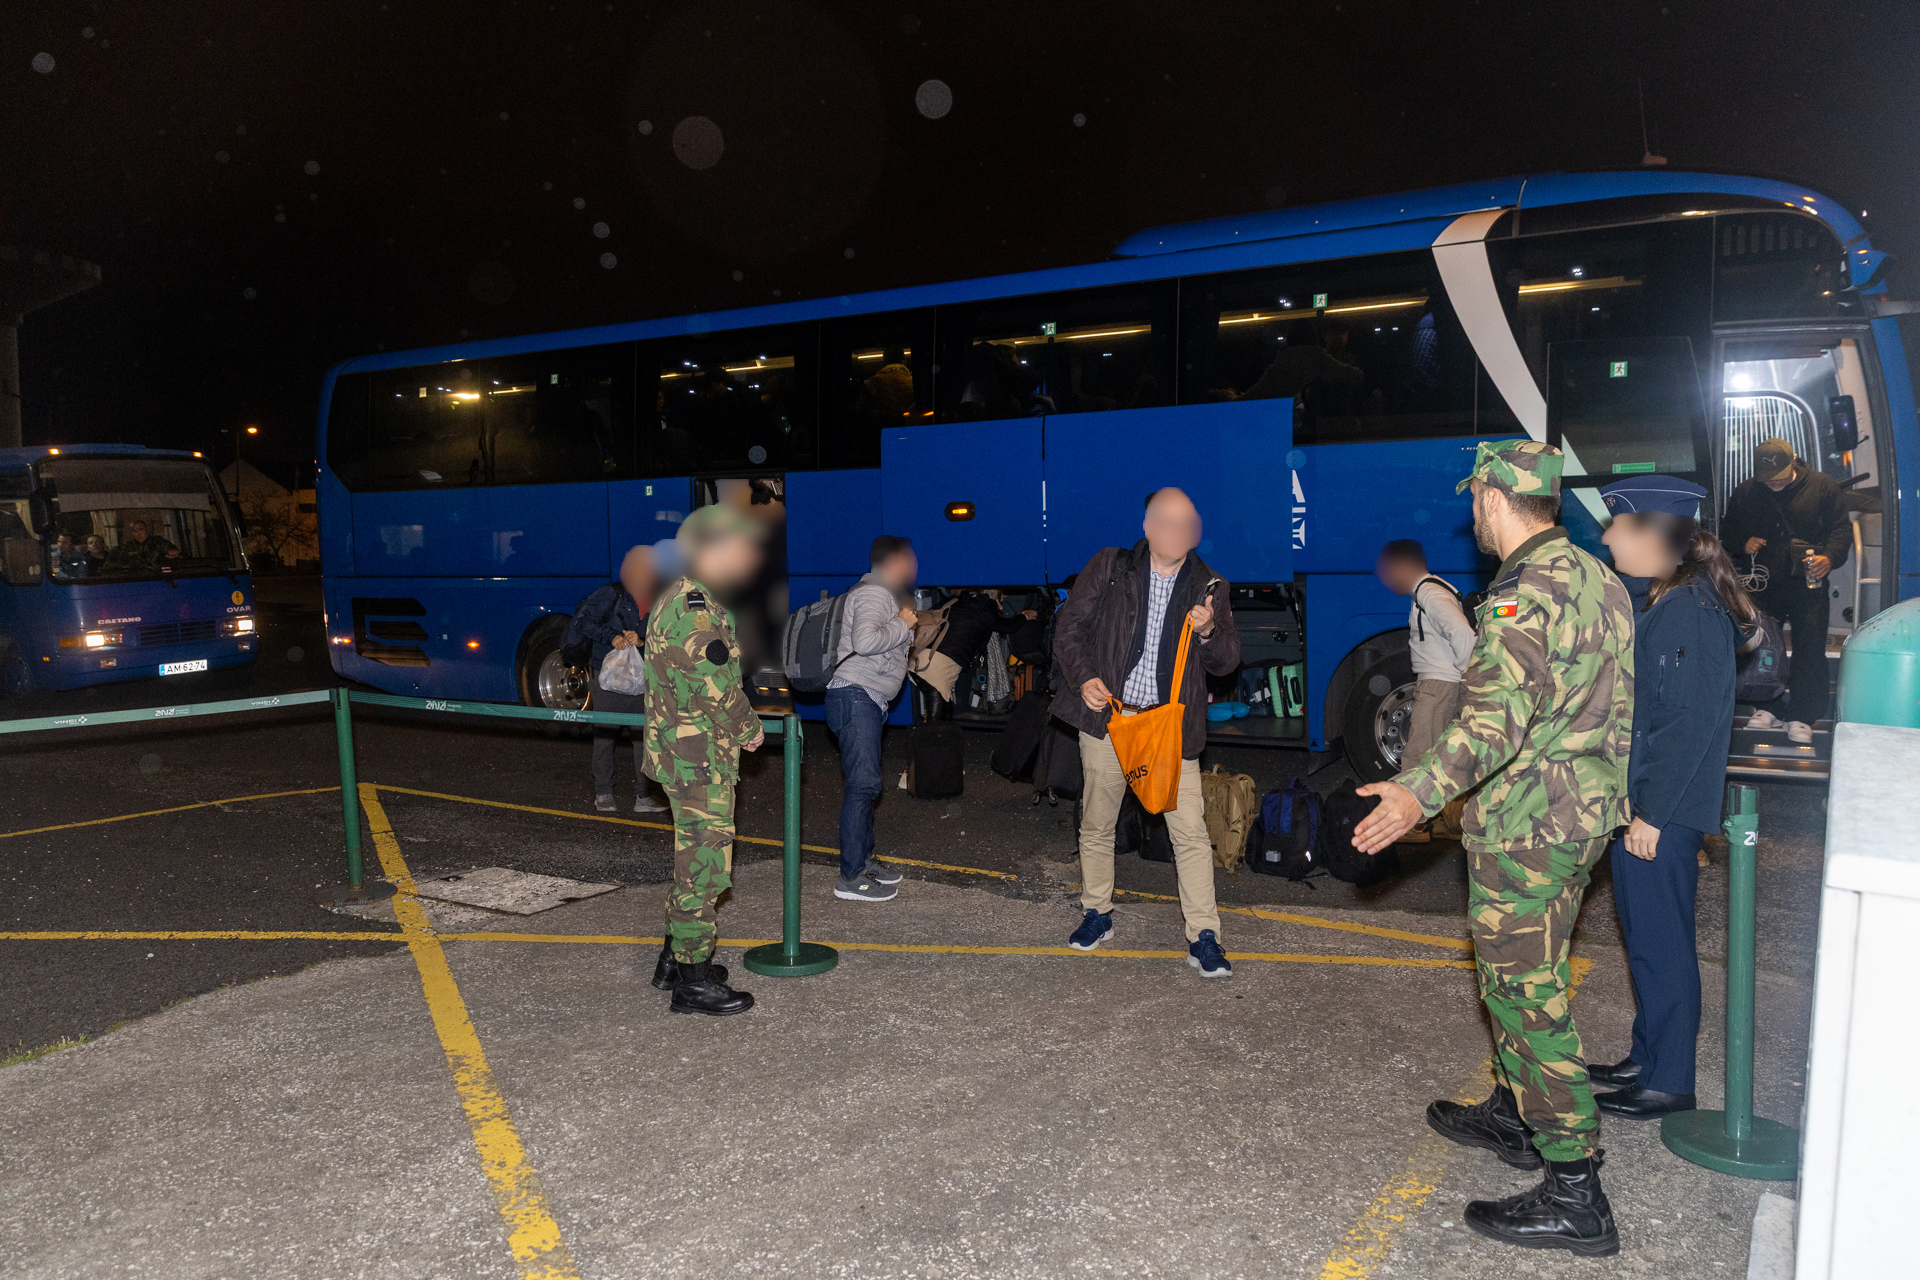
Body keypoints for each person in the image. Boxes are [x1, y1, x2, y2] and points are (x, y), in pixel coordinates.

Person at [1350, 440, 1633, 1257]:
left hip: (1530, 826)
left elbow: (1493, 724)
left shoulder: (1519, 596)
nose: (1472, 510)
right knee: (1523, 976)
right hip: (1580, 818)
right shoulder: (1599, 578)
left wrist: (1416, 791)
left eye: (1476, 496)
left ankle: (1576, 1189)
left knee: (1525, 996)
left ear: (1495, 499)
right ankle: (1515, 1115)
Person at [1588, 475, 1754, 1121]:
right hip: (1651, 805)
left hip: (1664, 811)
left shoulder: (1689, 610)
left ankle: (1671, 1081)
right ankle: (1648, 1058)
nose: (1607, 538)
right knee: (1648, 940)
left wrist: (1652, 814)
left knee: (1663, 946)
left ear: (1653, 533)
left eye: (1617, 525)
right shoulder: (1671, 598)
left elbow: (1686, 724)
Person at [1050, 487, 1242, 977]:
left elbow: (1226, 663)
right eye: (1168, 521)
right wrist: (1084, 679)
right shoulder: (1111, 567)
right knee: (1097, 824)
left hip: (1169, 731)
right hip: (1111, 721)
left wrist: (1208, 631)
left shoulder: (1210, 586)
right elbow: (1070, 628)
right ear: (1149, 527)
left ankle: (1204, 935)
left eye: (1187, 522)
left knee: (1191, 834)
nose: (1179, 531)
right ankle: (1097, 912)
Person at [642, 505, 767, 1016]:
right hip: (698, 760)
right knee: (704, 870)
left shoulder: (684, 597)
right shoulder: (693, 610)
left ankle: (674, 962)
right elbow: (716, 686)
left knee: (692, 860)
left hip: (686, 753)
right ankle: (693, 984)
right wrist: (751, 729)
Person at [1719, 438, 1851, 743]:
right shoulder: (1746, 491)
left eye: (1779, 477)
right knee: (1764, 647)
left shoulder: (1822, 486)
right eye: (1768, 480)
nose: (1774, 484)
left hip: (1808, 580)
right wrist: (1743, 543)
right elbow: (1729, 531)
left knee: (1810, 646)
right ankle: (1767, 706)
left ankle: (1802, 714)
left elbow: (1840, 529)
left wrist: (1829, 557)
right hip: (1764, 582)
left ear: (1793, 461)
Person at [824, 534, 919, 903]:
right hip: (856, 695)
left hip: (866, 697)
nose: (913, 564)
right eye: (908, 558)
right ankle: (850, 877)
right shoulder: (875, 593)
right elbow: (865, 642)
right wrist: (904, 624)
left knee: (866, 784)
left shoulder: (884, 595)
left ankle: (864, 862)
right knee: (863, 786)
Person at [1374, 538, 1473, 839]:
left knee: (1418, 755)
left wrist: (1470, 673)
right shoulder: (1433, 589)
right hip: (1441, 682)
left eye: (1387, 571)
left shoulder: (1429, 592)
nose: (1385, 579)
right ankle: (1448, 820)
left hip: (1438, 685)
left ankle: (1413, 826)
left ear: (1404, 567)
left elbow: (1461, 632)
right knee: (1443, 756)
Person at [580, 544, 667, 815]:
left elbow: (665, 638)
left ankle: (643, 795)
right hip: (608, 678)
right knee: (606, 734)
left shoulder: (660, 600)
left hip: (641, 677)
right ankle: (603, 792)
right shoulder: (611, 594)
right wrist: (612, 637)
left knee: (643, 737)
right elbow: (583, 622)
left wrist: (642, 642)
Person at [913, 589, 1037, 712]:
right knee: (935, 718)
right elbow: (1008, 626)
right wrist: (1024, 616)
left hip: (918, 659)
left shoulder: (956, 601)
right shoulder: (985, 607)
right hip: (940, 666)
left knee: (945, 710)